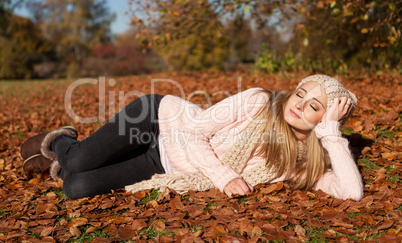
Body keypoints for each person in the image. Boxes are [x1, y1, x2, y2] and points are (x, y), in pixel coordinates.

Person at [20, 75, 364, 201]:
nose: (299, 104)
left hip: (163, 162)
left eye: (314, 105)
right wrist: (225, 175)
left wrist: (330, 134)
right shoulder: (260, 100)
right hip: (158, 123)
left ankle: (60, 160)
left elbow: (350, 192)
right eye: (300, 93)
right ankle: (62, 142)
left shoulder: (301, 161)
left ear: (326, 117)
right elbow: (195, 134)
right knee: (79, 160)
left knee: (74, 188)